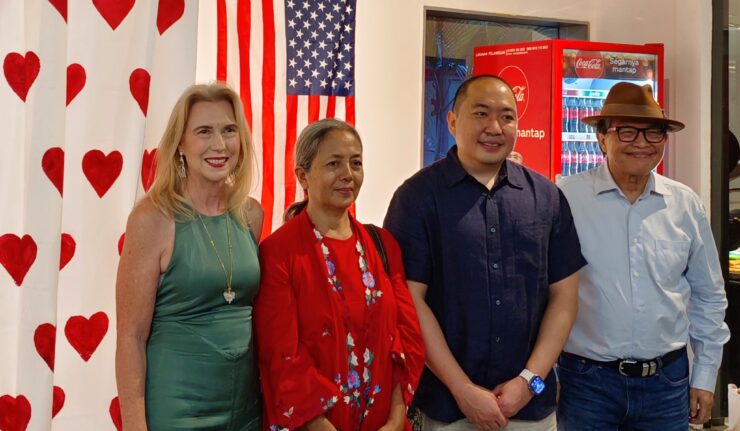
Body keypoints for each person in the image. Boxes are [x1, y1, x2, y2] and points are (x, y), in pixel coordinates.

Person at [384, 74, 586, 430]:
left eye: (507, 117)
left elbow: (565, 298)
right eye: (480, 114)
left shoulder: (546, 197)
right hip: (447, 408)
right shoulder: (416, 198)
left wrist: (530, 382)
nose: (494, 127)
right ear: (452, 122)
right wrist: (461, 389)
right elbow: (410, 302)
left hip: (531, 408)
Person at [556, 82, 730, 430]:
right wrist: (544, 374)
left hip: (667, 383)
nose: (642, 143)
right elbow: (540, 294)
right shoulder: (566, 199)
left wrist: (705, 375)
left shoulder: (684, 204)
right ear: (602, 138)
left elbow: (709, 295)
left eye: (654, 133)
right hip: (586, 383)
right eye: (627, 131)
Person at [255, 118, 425, 431]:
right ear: (303, 176)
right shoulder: (279, 252)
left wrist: (395, 419)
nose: (348, 174)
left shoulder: (383, 245)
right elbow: (280, 355)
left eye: (355, 163)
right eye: (334, 163)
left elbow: (405, 340)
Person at [115, 82, 264, 430]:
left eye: (229, 130)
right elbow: (130, 338)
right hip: (177, 411)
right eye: (204, 131)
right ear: (181, 143)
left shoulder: (250, 215)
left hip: (246, 412)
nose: (219, 144)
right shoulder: (153, 218)